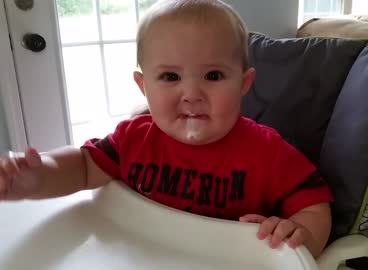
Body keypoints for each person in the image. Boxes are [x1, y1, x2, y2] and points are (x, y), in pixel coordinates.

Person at [0, 0, 333, 258]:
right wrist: (37, 177)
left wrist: (298, 233)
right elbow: (83, 168)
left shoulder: (267, 153)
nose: (191, 94)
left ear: (244, 84)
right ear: (143, 86)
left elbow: (314, 204)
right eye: (170, 77)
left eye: (213, 76)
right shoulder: (133, 139)